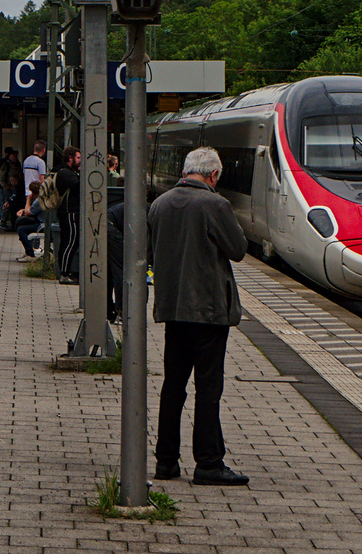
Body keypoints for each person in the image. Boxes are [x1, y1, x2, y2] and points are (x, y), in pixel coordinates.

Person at [148, 145, 249, 486]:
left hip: (173, 309)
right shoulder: (214, 204)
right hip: (207, 311)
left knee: (173, 385)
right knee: (208, 387)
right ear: (213, 175)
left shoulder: (159, 204)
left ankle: (165, 461)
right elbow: (237, 250)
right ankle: (208, 462)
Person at [55, 146, 81, 282]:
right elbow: (78, 186)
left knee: (67, 242)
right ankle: (64, 273)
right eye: (78, 158)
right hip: (70, 212)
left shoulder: (66, 172)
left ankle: (64, 271)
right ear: (70, 158)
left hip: (68, 211)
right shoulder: (66, 173)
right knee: (71, 242)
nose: (80, 161)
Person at [0, 147, 24, 229]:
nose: (16, 156)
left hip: (16, 188)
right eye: (14, 155)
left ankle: (13, 221)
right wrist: (6, 186)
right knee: (7, 204)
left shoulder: (17, 164)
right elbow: (1, 177)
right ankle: (3, 221)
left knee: (13, 205)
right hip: (8, 189)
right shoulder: (7, 164)